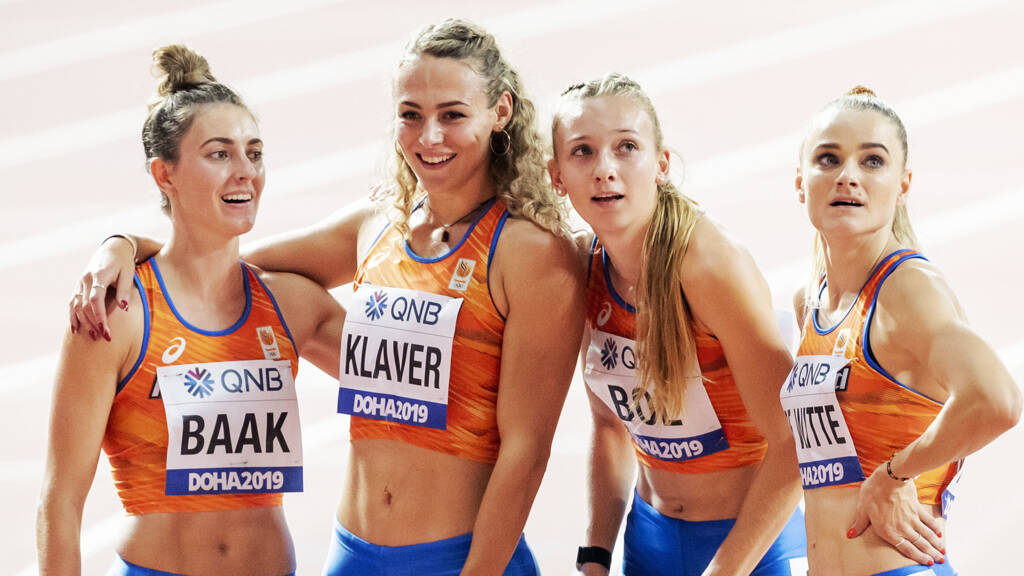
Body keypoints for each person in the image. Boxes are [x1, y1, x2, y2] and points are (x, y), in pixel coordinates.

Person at [69, 20, 584, 576]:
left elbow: (527, 451)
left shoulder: (531, 253)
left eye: (453, 115)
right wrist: (122, 244)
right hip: (352, 555)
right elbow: (217, 267)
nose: (429, 136)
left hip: (459, 558)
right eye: (411, 114)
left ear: (500, 112)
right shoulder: (377, 226)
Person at [37, 45, 345, 576]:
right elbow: (60, 502)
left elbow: (426, 382)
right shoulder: (117, 312)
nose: (245, 172)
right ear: (165, 175)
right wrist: (120, 245)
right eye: (219, 154)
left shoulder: (290, 305)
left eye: (254, 152)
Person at [548, 73, 806, 576]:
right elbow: (609, 427)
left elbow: (795, 443)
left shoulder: (709, 266)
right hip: (650, 541)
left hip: (751, 547)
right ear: (557, 176)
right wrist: (596, 555)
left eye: (626, 147)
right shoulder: (586, 267)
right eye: (583, 152)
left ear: (661, 164)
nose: (605, 170)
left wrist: (724, 571)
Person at [783, 86, 1021, 575]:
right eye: (829, 159)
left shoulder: (907, 288)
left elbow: (997, 400)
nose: (848, 176)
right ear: (801, 182)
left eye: (872, 161)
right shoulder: (810, 300)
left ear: (903, 184)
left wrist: (894, 475)